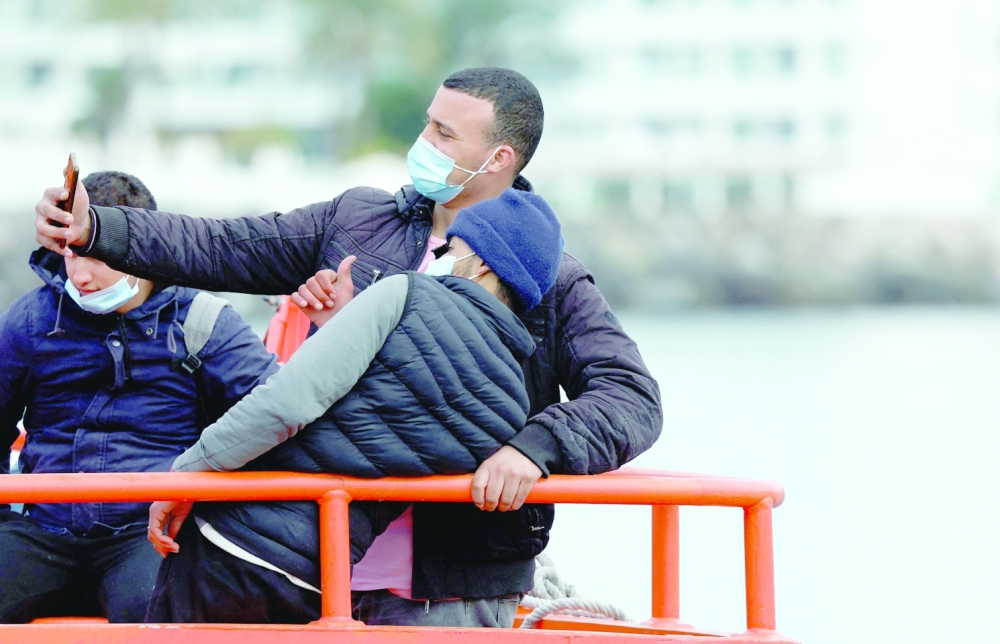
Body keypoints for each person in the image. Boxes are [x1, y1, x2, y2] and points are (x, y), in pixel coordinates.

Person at [34, 67, 663, 628]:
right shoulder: (357, 220)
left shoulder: (551, 281)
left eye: (444, 135)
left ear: (499, 157)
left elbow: (631, 397)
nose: (424, 144)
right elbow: (226, 245)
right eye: (427, 125)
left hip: (449, 585)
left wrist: (535, 449)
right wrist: (98, 230)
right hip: (299, 564)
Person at [144, 188, 563, 624]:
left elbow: (286, 405)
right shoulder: (511, 400)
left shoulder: (407, 294)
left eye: (451, 248)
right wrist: (343, 324)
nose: (440, 256)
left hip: (235, 537)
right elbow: (386, 421)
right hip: (320, 572)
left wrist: (187, 473)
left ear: (481, 265)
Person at [0, 171, 279, 623]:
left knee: (154, 620)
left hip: (150, 534)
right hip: (42, 531)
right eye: (70, 254)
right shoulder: (30, 319)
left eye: (96, 255)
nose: (81, 274)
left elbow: (276, 416)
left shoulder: (204, 323)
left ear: (140, 246)